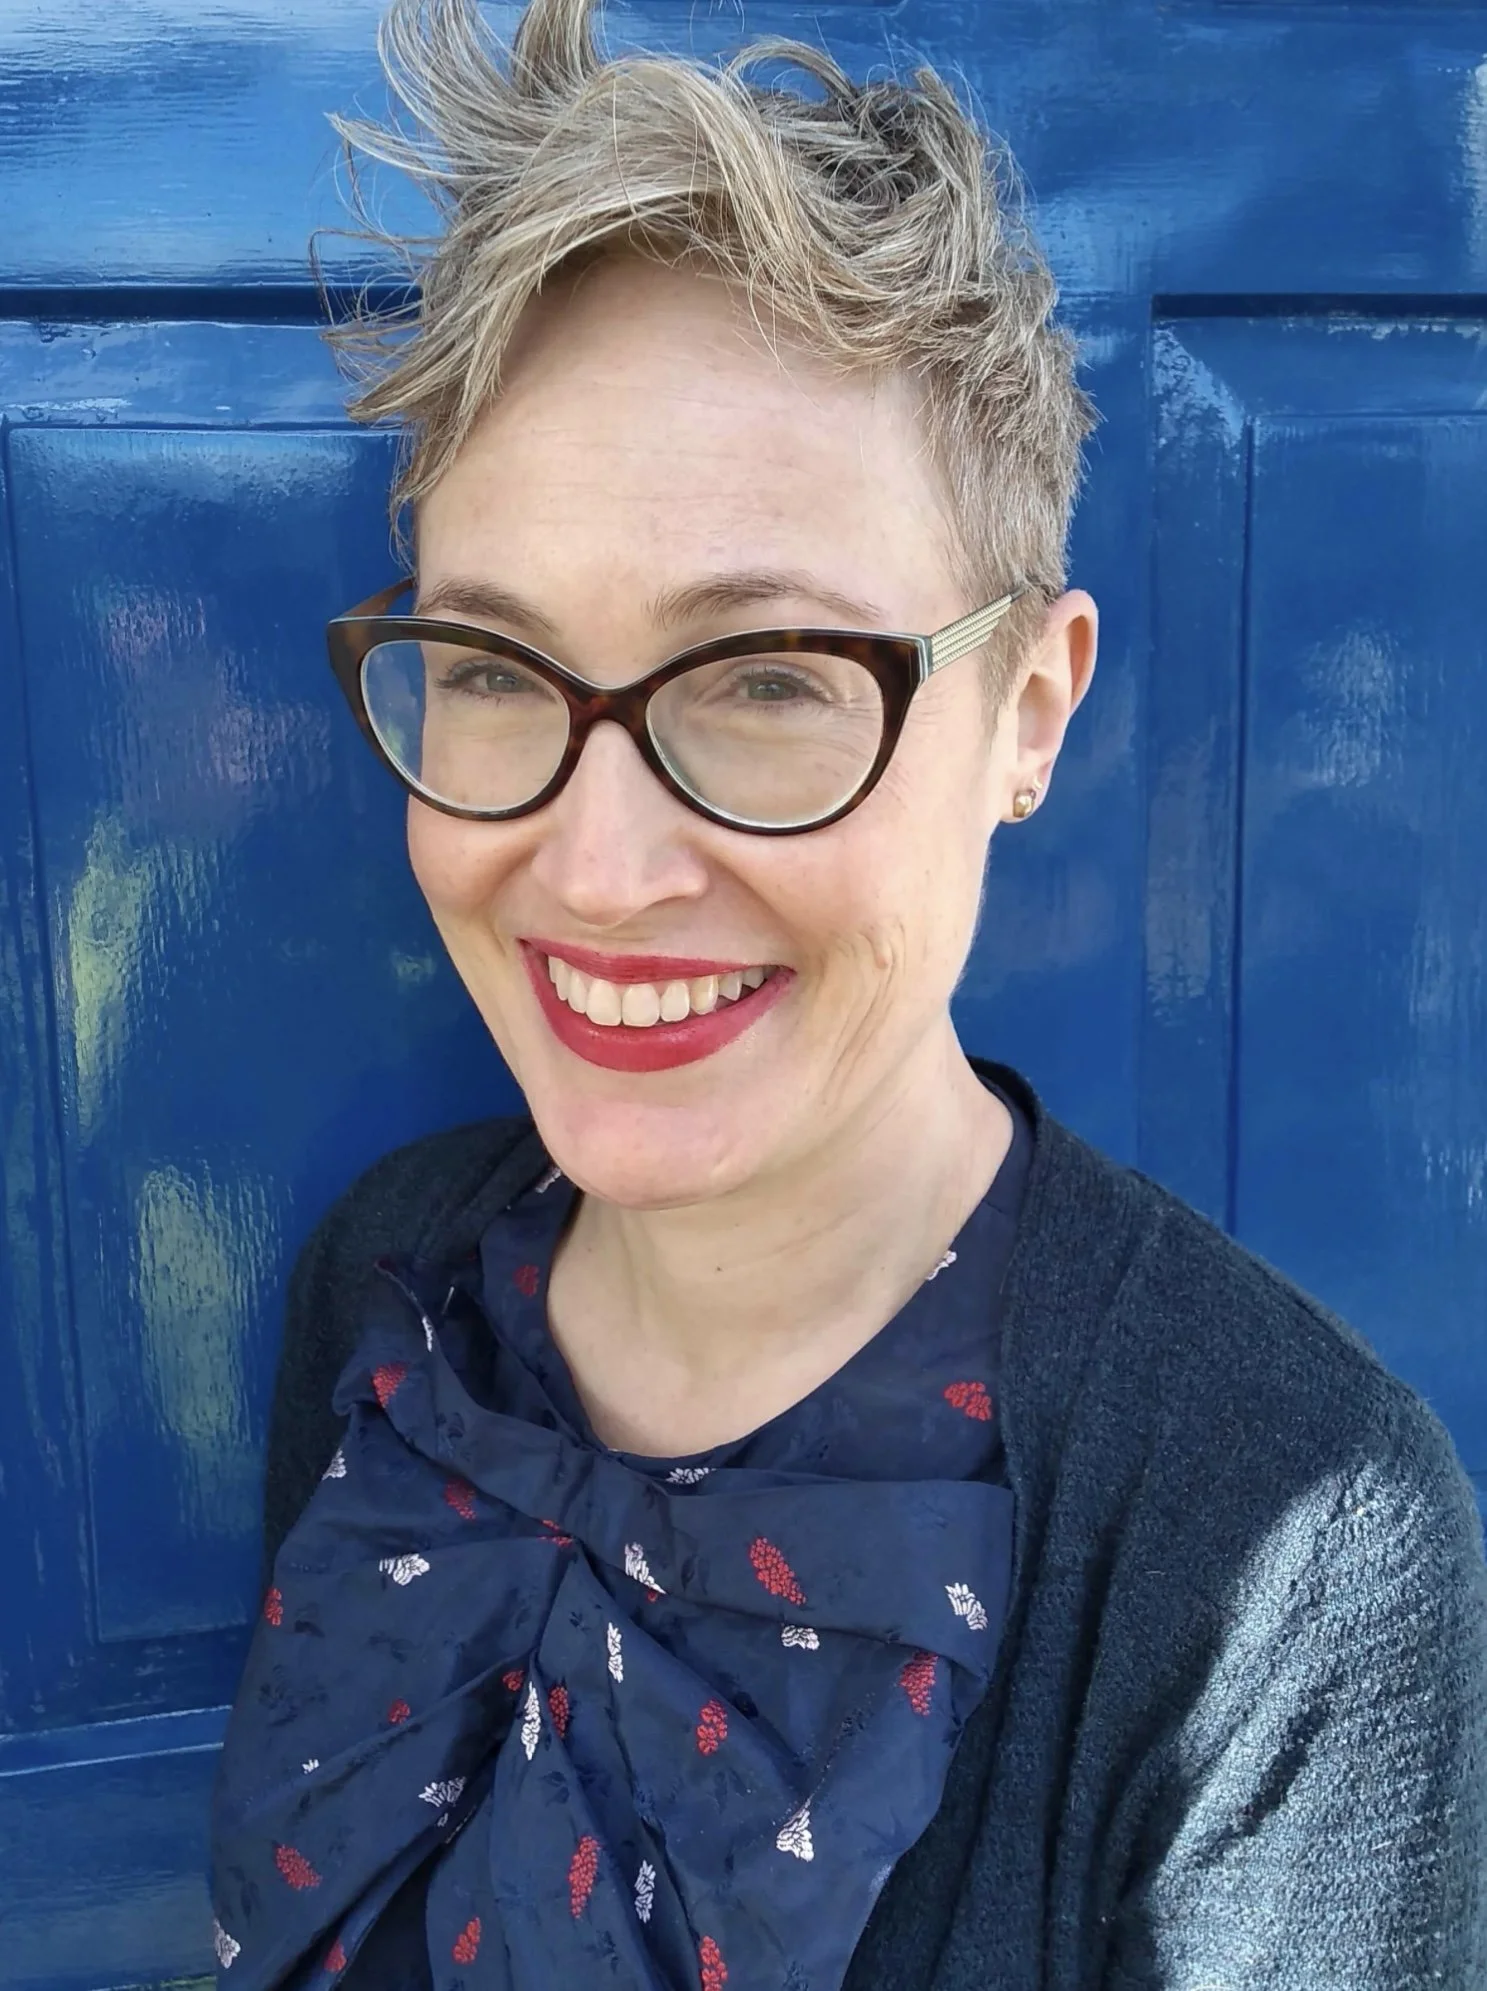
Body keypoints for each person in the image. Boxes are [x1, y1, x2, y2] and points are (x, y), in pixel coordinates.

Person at [209, 0, 1487, 1984]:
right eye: (491, 665)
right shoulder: (386, 1292)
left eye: (768, 680)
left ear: (1027, 710)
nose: (601, 867)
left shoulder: (1287, 1549)